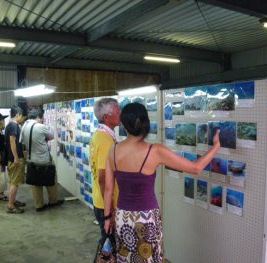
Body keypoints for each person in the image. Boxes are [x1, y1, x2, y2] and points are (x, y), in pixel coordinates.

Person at [103, 103, 221, 262]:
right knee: (149, 257)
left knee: (126, 258)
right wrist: (216, 147)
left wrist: (106, 218)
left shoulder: (113, 150)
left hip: (122, 217)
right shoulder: (155, 151)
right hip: (147, 219)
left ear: (123, 124)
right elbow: (195, 168)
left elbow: (109, 189)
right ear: (145, 123)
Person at [89, 98, 121, 259]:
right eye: (117, 111)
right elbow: (102, 178)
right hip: (106, 204)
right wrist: (109, 212)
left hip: (100, 201)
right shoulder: (106, 141)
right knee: (109, 246)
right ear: (107, 117)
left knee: (109, 242)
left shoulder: (99, 136)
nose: (121, 114)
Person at [21, 107, 64, 212]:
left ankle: (39, 205)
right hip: (44, 159)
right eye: (42, 117)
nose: (43, 119)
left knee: (36, 183)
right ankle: (52, 201)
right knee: (52, 179)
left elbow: (22, 142)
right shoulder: (40, 126)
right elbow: (51, 136)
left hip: (32, 159)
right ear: (38, 117)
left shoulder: (24, 126)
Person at [4, 106, 26, 214]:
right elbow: (12, 142)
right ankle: (10, 206)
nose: (22, 119)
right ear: (17, 115)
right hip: (14, 159)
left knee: (13, 181)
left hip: (11, 158)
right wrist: (16, 158)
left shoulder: (10, 125)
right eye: (21, 116)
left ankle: (12, 201)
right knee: (14, 183)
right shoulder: (13, 125)